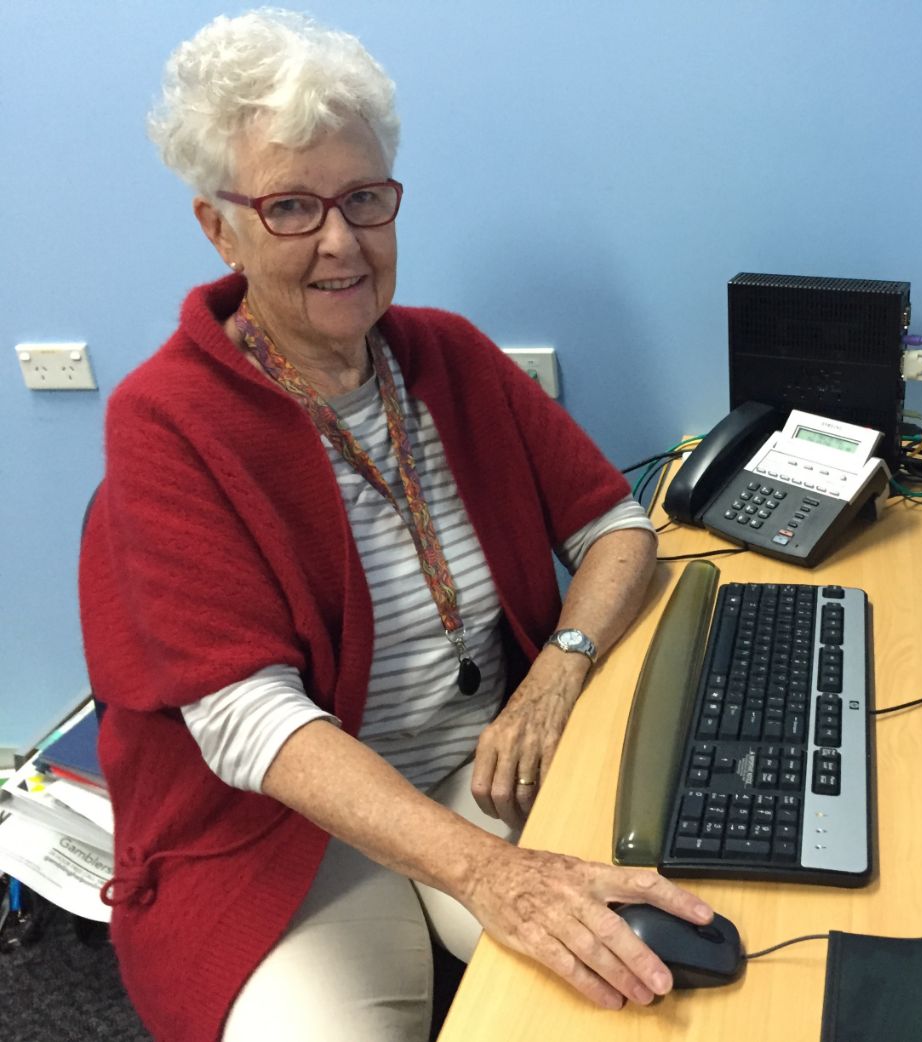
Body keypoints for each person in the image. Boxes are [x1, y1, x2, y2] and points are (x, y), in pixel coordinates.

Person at [77, 10, 713, 1041]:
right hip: (282, 837)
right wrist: (490, 874)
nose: (342, 241)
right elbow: (250, 724)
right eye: (291, 206)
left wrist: (560, 668)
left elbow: (617, 528)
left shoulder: (448, 355)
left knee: (649, 985)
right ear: (218, 226)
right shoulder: (165, 423)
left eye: (365, 199)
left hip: (484, 770)